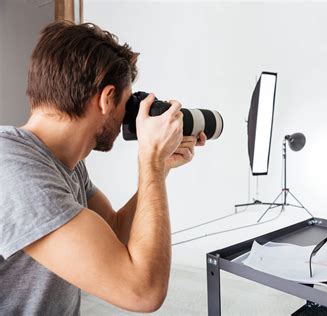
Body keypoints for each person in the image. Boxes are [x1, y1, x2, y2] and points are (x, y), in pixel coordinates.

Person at [0, 21, 206, 314]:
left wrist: (158, 168)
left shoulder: (62, 161)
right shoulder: (13, 170)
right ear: (107, 99)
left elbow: (115, 230)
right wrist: (149, 157)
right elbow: (143, 291)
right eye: (126, 102)